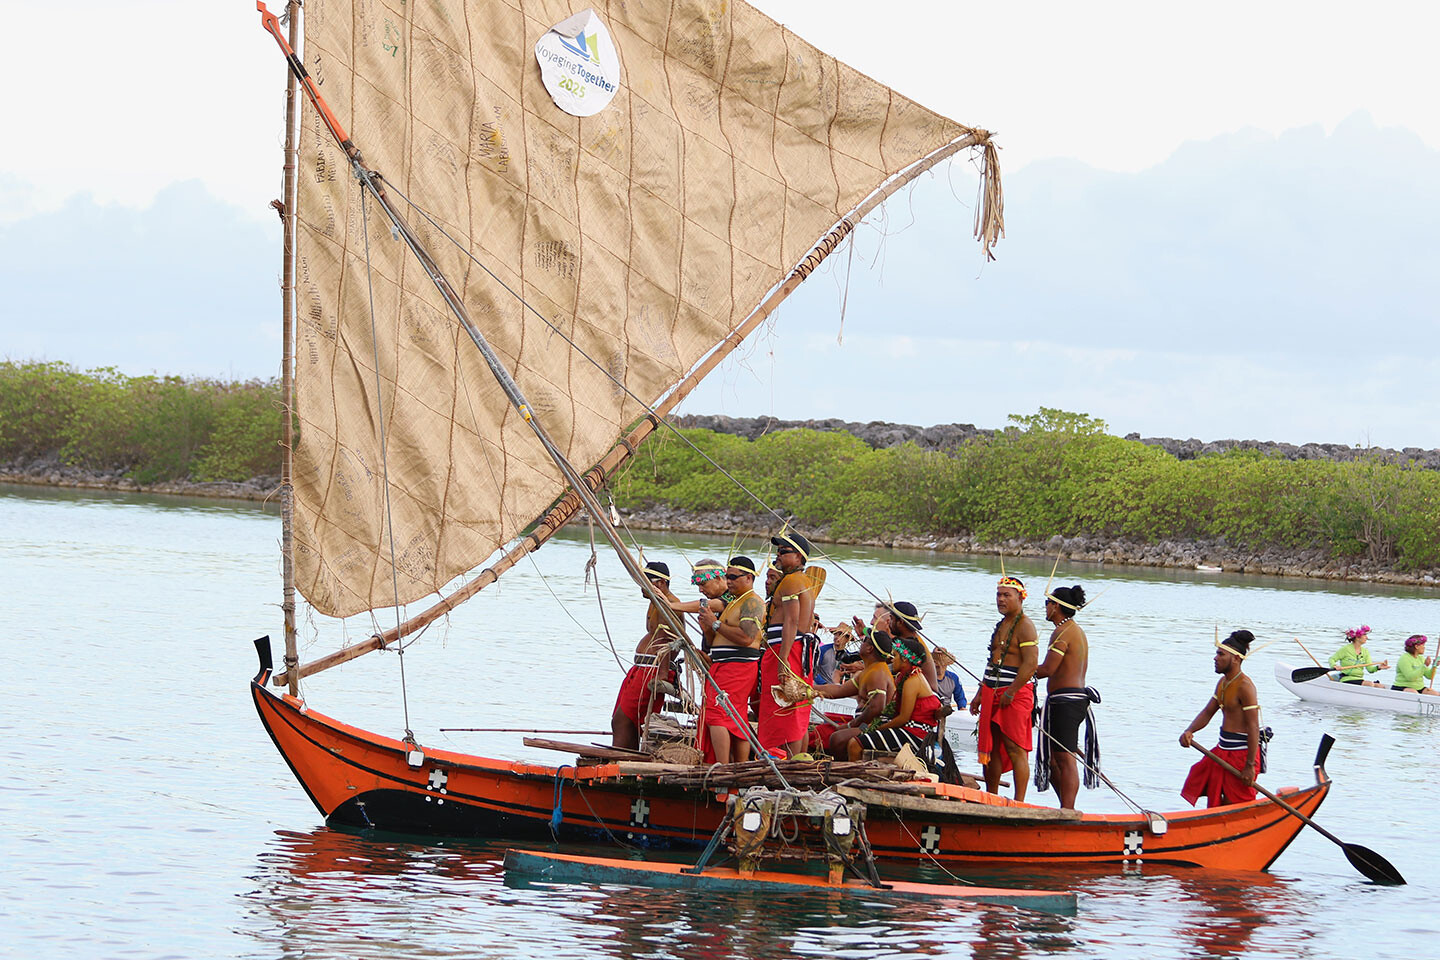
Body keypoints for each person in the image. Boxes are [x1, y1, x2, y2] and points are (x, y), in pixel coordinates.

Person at [1179, 630, 1268, 808]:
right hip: (1223, 750)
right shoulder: (1223, 683)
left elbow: (1253, 727)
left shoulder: (1245, 686)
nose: (1215, 658)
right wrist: (1189, 731)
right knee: (1198, 775)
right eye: (1216, 654)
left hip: (1242, 755)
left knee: (1237, 802)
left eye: (1221, 654)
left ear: (1235, 658)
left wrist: (1250, 765)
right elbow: (1207, 712)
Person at [970, 576, 1038, 801]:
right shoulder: (1002, 625)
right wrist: (980, 694)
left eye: (1006, 595)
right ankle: (993, 797)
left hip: (1014, 693)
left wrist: (1011, 691)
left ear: (1020, 597)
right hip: (992, 690)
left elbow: (1031, 664)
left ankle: (1019, 802)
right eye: (998, 595)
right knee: (993, 747)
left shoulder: (1025, 625)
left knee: (1016, 747)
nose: (1000, 599)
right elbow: (992, 661)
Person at [1033, 584, 1099, 810]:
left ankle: (1068, 811)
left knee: (1065, 758)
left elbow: (1048, 669)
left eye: (1047, 604)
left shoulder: (1062, 632)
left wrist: (1020, 672)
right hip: (1069, 700)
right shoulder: (1073, 630)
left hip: (1066, 702)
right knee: (1052, 760)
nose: (1045, 608)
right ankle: (1065, 807)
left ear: (1056, 606)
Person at [695, 557, 766, 763]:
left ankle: (723, 766)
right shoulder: (734, 601)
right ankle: (737, 765)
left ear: (749, 578)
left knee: (717, 713)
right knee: (735, 716)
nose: (729, 581)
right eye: (727, 576)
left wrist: (715, 624)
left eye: (734, 577)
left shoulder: (752, 602)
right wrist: (708, 629)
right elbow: (717, 638)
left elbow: (746, 637)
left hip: (738, 667)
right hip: (724, 666)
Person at [759, 531, 819, 756]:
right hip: (796, 648)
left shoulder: (793, 581)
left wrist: (782, 659)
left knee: (785, 707)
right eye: (778, 552)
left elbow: (792, 620)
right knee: (796, 706)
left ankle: (789, 761)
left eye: (784, 552)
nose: (779, 556)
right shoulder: (801, 580)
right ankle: (798, 760)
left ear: (799, 557)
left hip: (789, 649)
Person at [611, 561, 681, 749]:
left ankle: (622, 760)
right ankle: (626, 757)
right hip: (642, 669)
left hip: (653, 670)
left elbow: (668, 641)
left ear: (660, 584)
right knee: (621, 717)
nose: (641, 588)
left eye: (644, 583)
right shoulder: (654, 602)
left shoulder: (669, 604)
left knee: (623, 719)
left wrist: (663, 675)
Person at [813, 630, 896, 759]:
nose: (860, 644)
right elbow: (839, 691)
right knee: (824, 732)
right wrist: (809, 689)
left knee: (837, 738)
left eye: (864, 642)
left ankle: (843, 769)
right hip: (864, 723)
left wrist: (852, 725)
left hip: (877, 726)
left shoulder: (877, 673)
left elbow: (877, 708)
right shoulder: (869, 671)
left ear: (869, 648)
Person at [857, 635, 943, 757]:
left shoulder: (912, 681)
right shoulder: (904, 677)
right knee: (860, 737)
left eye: (895, 655)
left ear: (904, 659)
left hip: (915, 735)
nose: (892, 659)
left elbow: (903, 718)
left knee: (854, 744)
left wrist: (879, 729)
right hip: (910, 730)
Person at [669, 559, 727, 649]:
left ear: (718, 579)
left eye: (703, 584)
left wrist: (671, 605)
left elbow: (713, 604)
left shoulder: (732, 597)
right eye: (698, 586)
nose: (700, 590)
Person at [887, 600, 941, 691]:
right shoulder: (905, 640)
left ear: (900, 622)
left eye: (891, 619)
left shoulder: (911, 646)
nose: (889, 622)